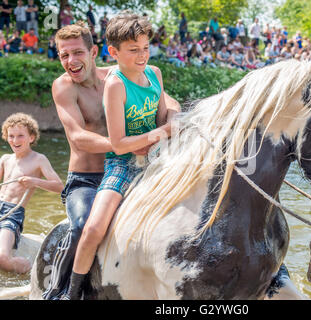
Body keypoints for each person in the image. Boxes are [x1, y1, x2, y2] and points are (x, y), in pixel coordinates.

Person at [42, 21, 180, 300]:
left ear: (94, 52)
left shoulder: (121, 74)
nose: (71, 61)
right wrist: (129, 146)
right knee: (83, 225)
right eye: (64, 55)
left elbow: (167, 101)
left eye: (77, 53)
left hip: (132, 163)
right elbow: (78, 137)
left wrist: (172, 119)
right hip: (86, 179)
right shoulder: (63, 87)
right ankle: (58, 288)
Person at [0, 113, 64, 274]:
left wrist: (34, 181)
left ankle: (29, 272)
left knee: (2, 258)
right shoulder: (5, 159)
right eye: (11, 136)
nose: (15, 140)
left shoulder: (39, 159)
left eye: (20, 136)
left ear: (31, 137)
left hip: (12, 213)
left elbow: (59, 186)